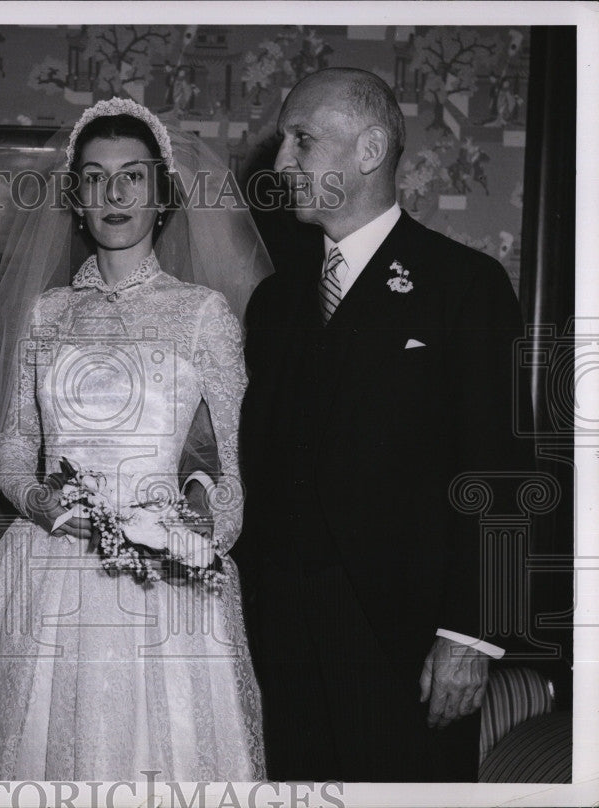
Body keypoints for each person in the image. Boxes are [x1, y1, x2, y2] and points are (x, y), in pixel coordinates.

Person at [0, 97, 272, 781]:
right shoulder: (47, 314)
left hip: (163, 579)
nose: (114, 194)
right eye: (94, 178)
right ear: (76, 200)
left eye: (132, 176)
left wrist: (197, 539)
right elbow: (14, 443)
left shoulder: (201, 315)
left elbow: (236, 468)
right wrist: (39, 503)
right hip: (47, 570)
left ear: (162, 194)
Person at [236, 68, 533, 781]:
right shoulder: (275, 304)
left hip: (409, 649)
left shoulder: (465, 285)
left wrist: (472, 635)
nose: (281, 165)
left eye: (301, 142)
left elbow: (502, 472)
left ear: (369, 150)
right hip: (283, 644)